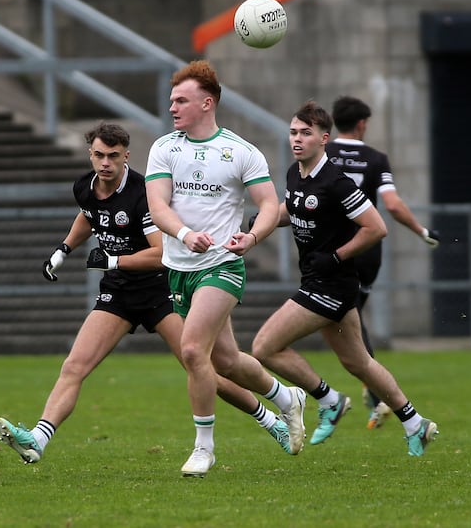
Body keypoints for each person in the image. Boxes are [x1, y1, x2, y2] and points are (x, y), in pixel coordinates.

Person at [0, 122, 294, 465]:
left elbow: (159, 254)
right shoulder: (85, 186)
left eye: (113, 156)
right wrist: (63, 250)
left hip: (160, 291)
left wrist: (112, 259)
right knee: (74, 366)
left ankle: (271, 421)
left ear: (126, 156)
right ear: (90, 154)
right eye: (98, 155)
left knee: (204, 367)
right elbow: (89, 216)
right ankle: (38, 440)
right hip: (119, 293)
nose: (105, 163)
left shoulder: (142, 194)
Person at [145, 60, 306, 478]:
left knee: (193, 351)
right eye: (172, 100)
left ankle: (204, 448)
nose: (173, 107)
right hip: (180, 266)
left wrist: (252, 238)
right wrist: (182, 233)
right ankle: (287, 399)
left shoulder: (240, 151)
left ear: (207, 102)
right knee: (229, 362)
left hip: (222, 265)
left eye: (181, 100)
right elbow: (157, 206)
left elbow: (270, 205)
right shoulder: (165, 147)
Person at [251, 100, 439, 457]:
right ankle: (416, 423)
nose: (297, 139)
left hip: (331, 286)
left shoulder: (337, 182)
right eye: (293, 132)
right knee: (360, 363)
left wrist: (336, 256)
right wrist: (257, 227)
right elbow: (289, 210)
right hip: (320, 283)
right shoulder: (295, 173)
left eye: (306, 133)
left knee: (264, 347)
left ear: (325, 138)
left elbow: (376, 227)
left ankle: (329, 399)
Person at [325, 95, 440, 430]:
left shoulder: (323, 152)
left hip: (330, 248)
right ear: (362, 124)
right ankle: (376, 395)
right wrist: (421, 230)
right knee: (349, 318)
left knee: (345, 321)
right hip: (365, 250)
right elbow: (391, 204)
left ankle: (375, 396)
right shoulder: (376, 159)